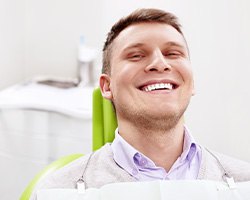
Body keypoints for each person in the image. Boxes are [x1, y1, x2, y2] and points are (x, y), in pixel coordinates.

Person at [30, 8, 250, 199]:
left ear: (191, 83)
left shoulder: (244, 182)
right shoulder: (58, 191)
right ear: (107, 87)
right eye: (136, 55)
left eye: (173, 53)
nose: (160, 63)